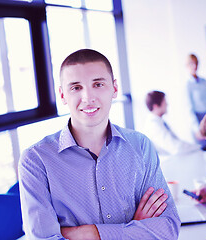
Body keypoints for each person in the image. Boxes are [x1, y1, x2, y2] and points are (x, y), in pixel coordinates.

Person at [18, 49, 180, 240]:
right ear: (62, 95)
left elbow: (168, 229)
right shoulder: (36, 160)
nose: (88, 97)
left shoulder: (140, 146)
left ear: (114, 88)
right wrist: (132, 230)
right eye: (76, 88)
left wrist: (91, 233)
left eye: (98, 84)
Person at [143, 90, 201, 156]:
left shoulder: (158, 122)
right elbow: (176, 148)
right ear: (156, 106)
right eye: (164, 102)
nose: (167, 104)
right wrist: (198, 147)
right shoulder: (153, 125)